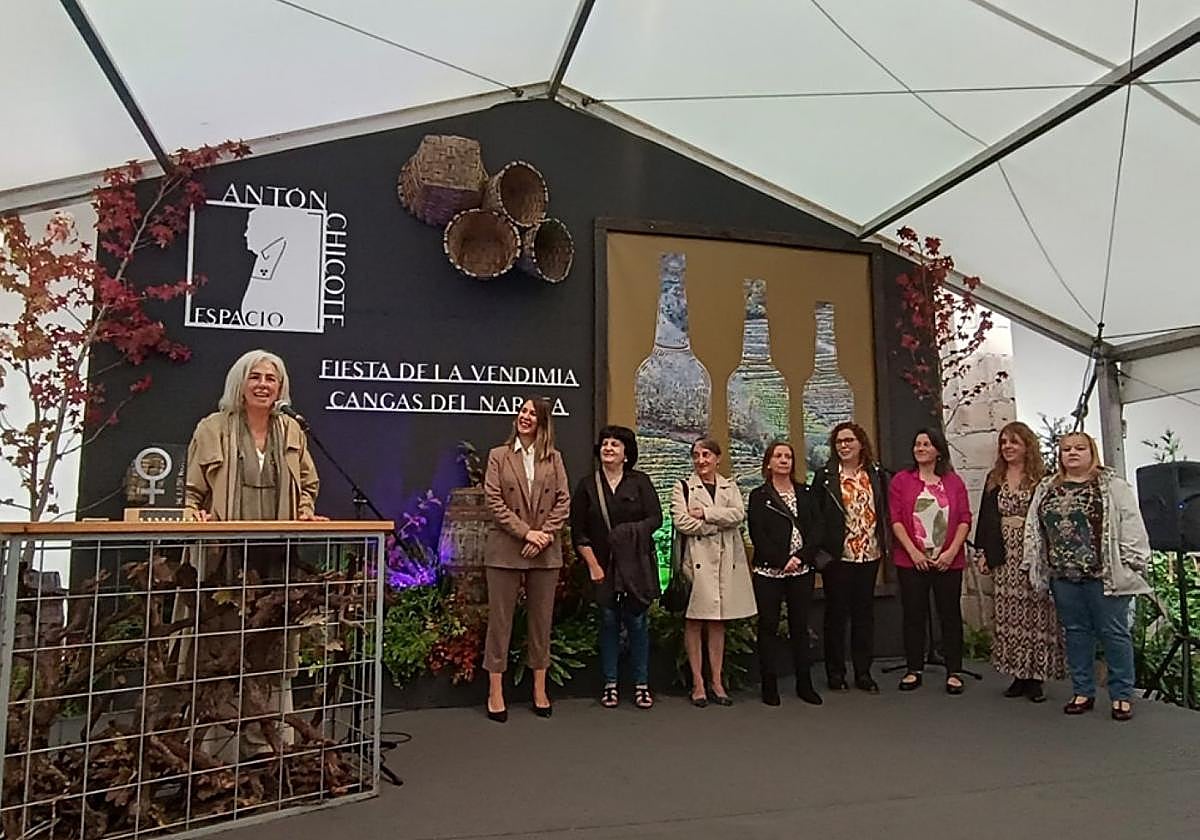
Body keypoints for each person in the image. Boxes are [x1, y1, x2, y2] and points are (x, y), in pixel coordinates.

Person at [182, 349, 325, 760]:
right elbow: (191, 492)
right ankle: (213, 751)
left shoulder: (292, 432)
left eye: (272, 379)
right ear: (239, 383)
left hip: (277, 557)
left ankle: (269, 745)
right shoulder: (212, 428)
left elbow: (309, 483)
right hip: (226, 558)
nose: (264, 384)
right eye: (256, 377)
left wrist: (305, 511)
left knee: (274, 648)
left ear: (281, 388)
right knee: (223, 647)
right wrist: (194, 512)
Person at [1022, 432, 1150, 721]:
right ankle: (1083, 691)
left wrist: (1132, 562)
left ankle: (1121, 695)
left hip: (1103, 574)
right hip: (1063, 574)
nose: (1072, 453)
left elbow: (1130, 522)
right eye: (1066, 449)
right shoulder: (1047, 487)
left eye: (1080, 448)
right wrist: (1035, 563)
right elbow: (1034, 526)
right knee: (1076, 634)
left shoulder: (1111, 486)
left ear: (1091, 452)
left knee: (1113, 633)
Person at [482, 398, 571, 723]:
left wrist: (544, 535)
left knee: (540, 623)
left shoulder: (554, 459)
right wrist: (526, 533)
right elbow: (493, 500)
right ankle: (495, 691)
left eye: (532, 413)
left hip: (545, 552)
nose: (525, 416)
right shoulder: (498, 456)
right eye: (522, 411)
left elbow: (563, 500)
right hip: (507, 550)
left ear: (543, 422)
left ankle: (539, 689)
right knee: (500, 622)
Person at [570, 425, 662, 709]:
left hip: (636, 567)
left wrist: (628, 533)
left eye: (615, 445)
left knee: (637, 623)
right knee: (609, 622)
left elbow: (656, 518)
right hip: (603, 567)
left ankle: (642, 684)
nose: (609, 448)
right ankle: (610, 683)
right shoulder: (588, 485)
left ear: (626, 454)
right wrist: (594, 565)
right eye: (605, 444)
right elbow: (578, 532)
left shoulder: (641, 482)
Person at [975, 421, 1065, 703]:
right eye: (1003, 442)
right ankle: (1018, 675)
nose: (1008, 447)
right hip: (1004, 554)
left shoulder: (1043, 479)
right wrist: (984, 554)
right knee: (1009, 615)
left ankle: (1036, 678)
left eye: (1014, 442)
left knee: (1037, 614)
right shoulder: (994, 478)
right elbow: (986, 520)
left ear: (1027, 445)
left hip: (1033, 554)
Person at [672, 437, 757, 707]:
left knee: (718, 620)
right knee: (695, 621)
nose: (701, 460)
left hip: (725, 562)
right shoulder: (683, 486)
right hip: (696, 561)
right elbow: (681, 521)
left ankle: (717, 681)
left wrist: (706, 513)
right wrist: (716, 524)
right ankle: (698, 682)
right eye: (696, 455)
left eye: (706, 454)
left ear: (717, 458)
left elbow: (738, 515)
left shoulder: (730, 486)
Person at [888, 427, 972, 694]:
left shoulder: (953, 482)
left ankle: (954, 671)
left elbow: (964, 520)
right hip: (911, 559)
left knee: (949, 615)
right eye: (917, 444)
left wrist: (950, 553)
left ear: (938, 450)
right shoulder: (902, 480)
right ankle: (914, 668)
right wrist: (913, 552)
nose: (920, 448)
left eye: (926, 444)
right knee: (914, 614)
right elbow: (896, 519)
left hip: (948, 561)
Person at [811, 422, 890, 694]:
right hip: (838, 557)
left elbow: (885, 511)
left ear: (860, 444)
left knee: (863, 616)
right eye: (839, 442)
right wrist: (822, 555)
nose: (844, 446)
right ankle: (836, 672)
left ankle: (863, 672)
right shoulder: (825, 477)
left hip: (869, 555)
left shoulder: (876, 475)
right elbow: (816, 518)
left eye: (849, 441)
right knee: (836, 615)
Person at [747, 441, 824, 706]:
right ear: (768, 463)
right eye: (778, 456)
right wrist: (781, 560)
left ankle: (805, 683)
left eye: (788, 456)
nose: (783, 460)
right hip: (769, 572)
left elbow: (816, 530)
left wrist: (800, 558)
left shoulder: (805, 492)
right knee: (767, 627)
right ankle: (769, 685)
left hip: (801, 571)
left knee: (800, 626)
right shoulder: (759, 495)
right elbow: (758, 534)